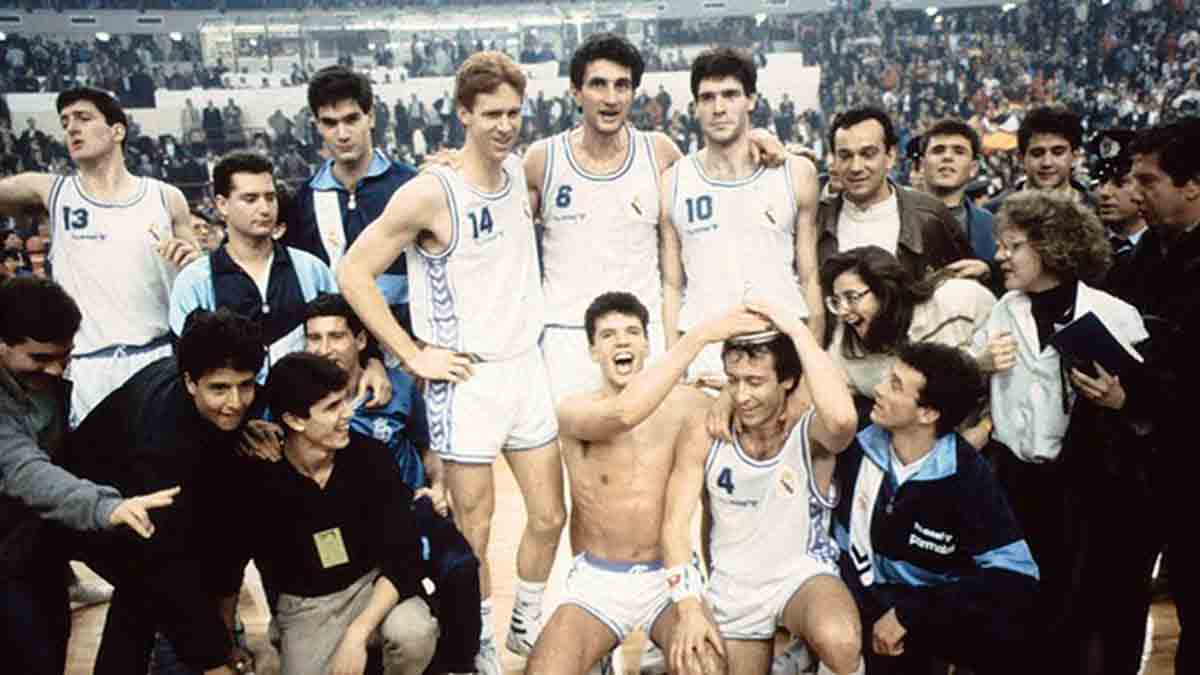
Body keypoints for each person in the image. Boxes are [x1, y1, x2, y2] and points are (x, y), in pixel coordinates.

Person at [336, 51, 565, 674]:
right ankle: (480, 638)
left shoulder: (517, 172)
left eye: (514, 113)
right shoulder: (430, 192)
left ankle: (527, 621)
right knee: (475, 529)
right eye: (491, 114)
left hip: (525, 366)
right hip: (466, 377)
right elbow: (353, 271)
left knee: (551, 516)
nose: (505, 125)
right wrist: (411, 353)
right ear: (463, 113)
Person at [526, 34, 784, 403]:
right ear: (576, 92)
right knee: (575, 440)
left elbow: (720, 176)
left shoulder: (659, 153)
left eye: (622, 86)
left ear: (634, 93)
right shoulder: (542, 160)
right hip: (568, 339)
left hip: (643, 336)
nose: (611, 98)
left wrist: (761, 139)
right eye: (598, 85)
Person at [526, 293, 765, 675]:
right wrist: (699, 337)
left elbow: (763, 394)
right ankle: (601, 658)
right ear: (592, 351)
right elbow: (623, 415)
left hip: (665, 575)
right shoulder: (574, 410)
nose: (621, 341)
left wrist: (725, 396)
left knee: (707, 668)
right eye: (608, 335)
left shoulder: (689, 404)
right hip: (597, 580)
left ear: (647, 345)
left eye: (632, 332)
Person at [974, 191, 1154, 674]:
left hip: (1086, 489)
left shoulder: (1115, 314)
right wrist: (980, 363)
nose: (999, 256)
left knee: (1081, 614)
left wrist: (1119, 398)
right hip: (1015, 483)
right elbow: (969, 388)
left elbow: (1149, 406)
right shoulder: (1002, 310)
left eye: (1012, 246)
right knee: (1022, 610)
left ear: (1051, 247)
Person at [661, 302, 863, 675]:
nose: (741, 395)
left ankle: (806, 650)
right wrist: (688, 607)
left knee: (840, 639)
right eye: (733, 380)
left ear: (787, 380)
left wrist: (798, 330)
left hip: (800, 576)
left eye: (754, 382)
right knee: (693, 664)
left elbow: (843, 420)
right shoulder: (705, 430)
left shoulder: (808, 429)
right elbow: (674, 526)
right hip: (733, 587)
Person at [64, 308, 268, 675]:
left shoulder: (227, 396)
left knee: (154, 590)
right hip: (91, 509)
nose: (236, 402)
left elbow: (231, 534)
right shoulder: (161, 440)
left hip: (149, 503)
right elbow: (168, 563)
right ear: (190, 382)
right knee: (146, 585)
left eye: (246, 385)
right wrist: (213, 659)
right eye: (219, 388)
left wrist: (223, 631)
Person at [0, 277, 179, 675]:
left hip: (36, 544)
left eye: (65, 356)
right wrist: (104, 507)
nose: (56, 369)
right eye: (40, 358)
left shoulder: (41, 380)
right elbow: (24, 468)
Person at [301, 293, 481, 675]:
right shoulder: (299, 397)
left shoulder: (396, 388)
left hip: (410, 508)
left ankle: (460, 663)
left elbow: (427, 449)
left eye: (336, 336)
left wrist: (437, 486)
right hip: (349, 524)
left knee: (460, 566)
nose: (324, 348)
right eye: (314, 338)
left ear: (360, 339)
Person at [832, 342, 1039, 674]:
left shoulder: (966, 475)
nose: (879, 390)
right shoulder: (855, 440)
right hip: (853, 603)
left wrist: (911, 614)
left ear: (928, 414)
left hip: (922, 618)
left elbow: (1017, 575)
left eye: (895, 385)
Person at [0, 87, 198, 428]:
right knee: (94, 459)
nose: (72, 129)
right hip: (87, 363)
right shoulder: (52, 191)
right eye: (65, 122)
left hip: (156, 357)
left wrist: (194, 261)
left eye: (83, 118)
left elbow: (198, 278)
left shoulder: (166, 197)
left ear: (117, 130)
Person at [232, 352, 438, 675]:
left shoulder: (371, 457)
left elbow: (404, 556)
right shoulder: (262, 479)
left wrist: (356, 634)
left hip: (374, 587)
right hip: (307, 606)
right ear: (295, 420)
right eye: (331, 408)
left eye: (344, 401)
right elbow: (230, 566)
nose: (347, 414)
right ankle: (282, 639)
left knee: (414, 633)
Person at [661, 47, 822, 382]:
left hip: (780, 346)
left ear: (751, 100)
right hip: (706, 354)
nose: (718, 108)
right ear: (695, 107)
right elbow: (673, 286)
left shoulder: (795, 173)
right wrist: (675, 367)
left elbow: (809, 277)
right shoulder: (673, 182)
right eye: (707, 98)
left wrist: (813, 364)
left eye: (730, 95)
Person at [1130, 119, 1197, 674]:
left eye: (1149, 182)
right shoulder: (1148, 251)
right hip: (1153, 466)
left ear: (1192, 184)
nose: (1136, 194)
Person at [284, 66, 419, 325]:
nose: (342, 134)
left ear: (371, 117)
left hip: (407, 339)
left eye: (351, 119)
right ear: (317, 126)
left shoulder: (411, 185)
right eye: (330, 123)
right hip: (339, 340)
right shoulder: (306, 199)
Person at [822, 246, 994, 434]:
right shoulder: (844, 344)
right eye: (836, 301)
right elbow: (831, 405)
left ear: (885, 291)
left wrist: (985, 427)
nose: (843, 311)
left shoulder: (959, 299)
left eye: (851, 297)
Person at [817, 106, 978, 285]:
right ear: (834, 160)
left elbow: (967, 285)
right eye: (845, 156)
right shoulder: (817, 220)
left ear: (890, 156)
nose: (856, 167)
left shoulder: (930, 215)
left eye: (868, 154)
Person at [1092, 128, 1164, 313]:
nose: (1105, 192)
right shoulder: (1086, 245)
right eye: (1101, 182)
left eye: (1120, 183)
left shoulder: (1165, 248)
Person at [985, 105, 1095, 213]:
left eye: (1058, 153)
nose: (1047, 162)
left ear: (1074, 157)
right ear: (1021, 158)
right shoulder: (995, 212)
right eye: (1037, 154)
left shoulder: (1097, 209)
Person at [920, 118, 996, 262]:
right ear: (922, 164)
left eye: (959, 152)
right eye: (938, 150)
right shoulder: (897, 217)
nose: (947, 157)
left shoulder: (991, 225)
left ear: (973, 168)